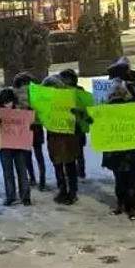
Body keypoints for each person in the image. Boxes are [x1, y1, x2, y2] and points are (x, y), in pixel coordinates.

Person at [101, 58, 135, 219]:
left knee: (132, 175)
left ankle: (133, 207)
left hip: (129, 137)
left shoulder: (132, 87)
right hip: (115, 138)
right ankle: (122, 203)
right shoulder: (107, 90)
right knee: (119, 175)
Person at [42, 74, 81, 205]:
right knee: (58, 165)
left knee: (69, 165)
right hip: (54, 137)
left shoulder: (68, 98)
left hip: (67, 137)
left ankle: (72, 192)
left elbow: (78, 116)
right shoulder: (46, 101)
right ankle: (63, 190)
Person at [0, 86, 30, 206]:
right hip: (4, 146)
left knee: (22, 171)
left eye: (9, 101)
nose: (8, 105)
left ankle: (25, 196)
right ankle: (10, 196)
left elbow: (29, 124)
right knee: (8, 172)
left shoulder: (20, 112)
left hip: (19, 146)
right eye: (5, 102)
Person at [14, 73, 47, 191]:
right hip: (37, 126)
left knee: (27, 155)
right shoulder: (37, 92)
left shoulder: (15, 94)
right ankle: (42, 180)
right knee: (39, 155)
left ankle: (32, 178)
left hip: (24, 127)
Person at [59, 69, 88, 179]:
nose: (65, 81)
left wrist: (78, 111)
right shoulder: (60, 92)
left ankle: (81, 172)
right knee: (68, 151)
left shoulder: (80, 91)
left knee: (79, 152)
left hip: (78, 125)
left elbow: (86, 106)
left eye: (67, 79)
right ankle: (71, 172)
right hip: (66, 126)